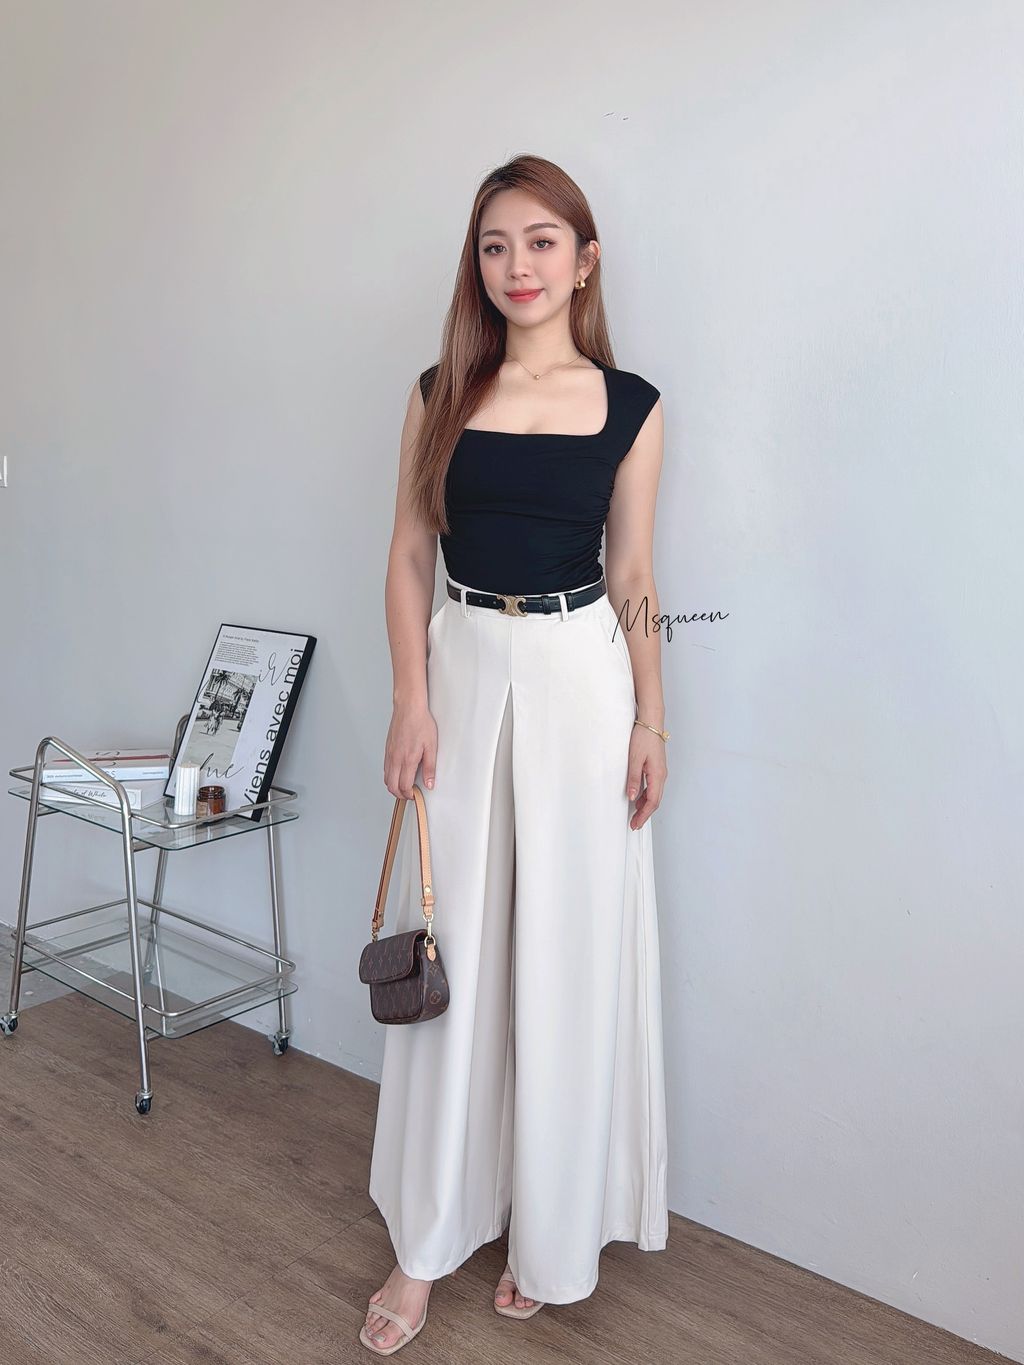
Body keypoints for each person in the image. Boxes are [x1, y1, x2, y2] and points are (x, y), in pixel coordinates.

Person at [361, 153, 670, 1356]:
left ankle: (551, 1231)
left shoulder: (631, 406)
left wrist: (651, 719)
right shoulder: (440, 390)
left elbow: (634, 574)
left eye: (541, 242)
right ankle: (424, 1242)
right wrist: (410, 698)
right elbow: (405, 554)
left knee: (563, 953)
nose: (517, 266)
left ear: (584, 261)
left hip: (580, 677)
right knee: (453, 945)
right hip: (459, 667)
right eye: (495, 245)